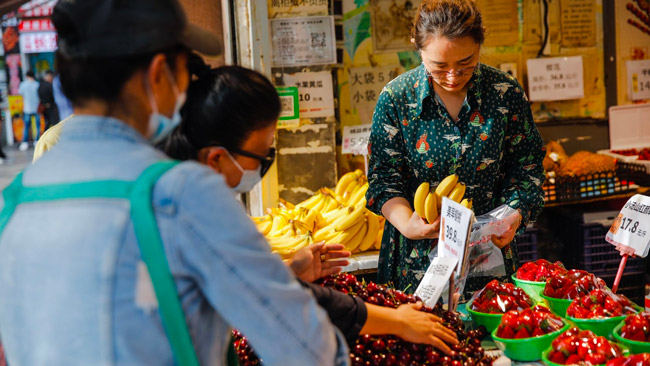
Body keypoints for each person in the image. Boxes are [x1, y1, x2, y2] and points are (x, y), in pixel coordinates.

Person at [0, 1, 348, 365]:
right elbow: (307, 349)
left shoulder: (17, 200)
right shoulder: (180, 194)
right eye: (184, 70)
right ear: (157, 74)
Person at [161, 61, 459, 353]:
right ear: (216, 158)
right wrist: (396, 320)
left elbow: (247, 284)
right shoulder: (193, 215)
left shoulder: (178, 191)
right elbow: (284, 298)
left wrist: (290, 271)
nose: (264, 165)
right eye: (262, 155)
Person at [366, 0, 545, 295]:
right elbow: (383, 180)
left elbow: (528, 169)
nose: (452, 77)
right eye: (439, 66)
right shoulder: (396, 99)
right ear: (418, 48)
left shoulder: (505, 93)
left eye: (465, 64)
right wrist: (408, 224)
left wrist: (515, 214)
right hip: (416, 263)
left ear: (479, 47)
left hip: (489, 261)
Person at [17, 70, 40, 150]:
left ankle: (25, 142)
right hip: (37, 108)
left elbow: (20, 93)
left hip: (27, 108)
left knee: (26, 126)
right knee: (37, 126)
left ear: (26, 76)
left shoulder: (23, 85)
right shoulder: (37, 84)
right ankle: (37, 141)